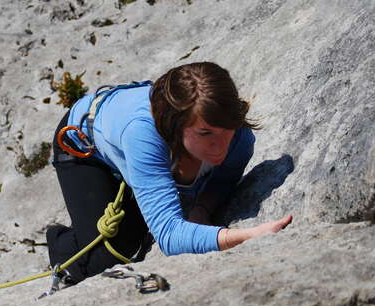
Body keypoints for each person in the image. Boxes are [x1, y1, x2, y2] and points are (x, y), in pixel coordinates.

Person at [47, 62, 292, 284]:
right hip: (82, 144)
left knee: (155, 219)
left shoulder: (240, 139)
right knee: (110, 251)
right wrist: (248, 235)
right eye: (205, 133)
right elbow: (170, 236)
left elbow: (222, 180)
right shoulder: (143, 134)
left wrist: (201, 210)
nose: (220, 145)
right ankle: (58, 241)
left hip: (130, 137)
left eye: (225, 129)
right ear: (176, 126)